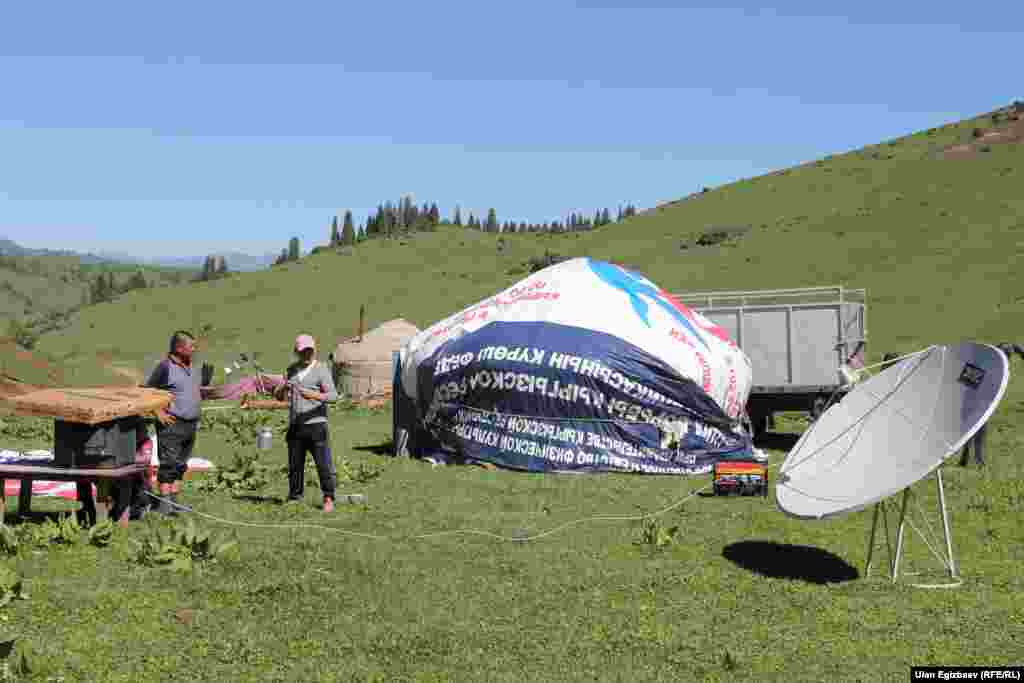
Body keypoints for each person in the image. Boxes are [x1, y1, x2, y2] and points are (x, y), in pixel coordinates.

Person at [274, 334, 339, 512]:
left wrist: (312, 395)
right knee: (295, 464)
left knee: (323, 464)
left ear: (315, 349)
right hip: (296, 425)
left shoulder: (321, 369)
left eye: (310, 350)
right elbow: (279, 397)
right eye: (303, 351)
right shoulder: (291, 370)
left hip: (316, 425)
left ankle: (328, 497)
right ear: (297, 351)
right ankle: (295, 496)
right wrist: (282, 388)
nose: (307, 354)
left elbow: (333, 396)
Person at [144, 330, 203, 515]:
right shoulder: (164, 367)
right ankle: (164, 505)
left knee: (180, 464)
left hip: (190, 424)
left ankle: (176, 503)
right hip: (172, 424)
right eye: (190, 346)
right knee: (168, 464)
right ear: (178, 348)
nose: (194, 350)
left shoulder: (191, 367)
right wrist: (157, 411)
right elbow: (148, 392)